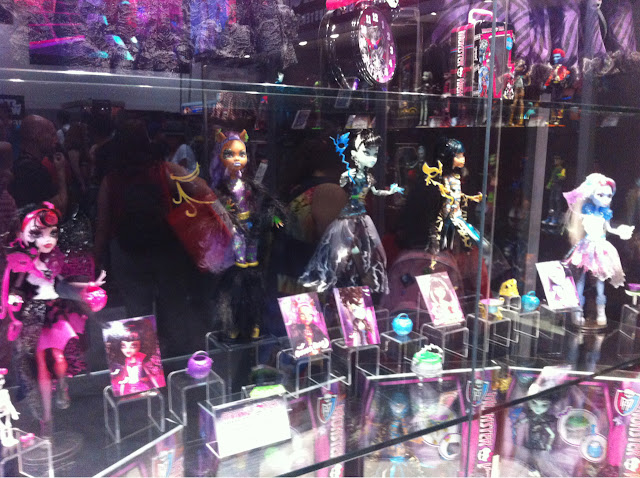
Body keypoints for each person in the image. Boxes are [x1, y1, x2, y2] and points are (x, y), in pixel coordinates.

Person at [94, 120, 211, 356]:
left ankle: (144, 361)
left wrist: (96, 261)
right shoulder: (165, 170)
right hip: (166, 250)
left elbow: (102, 226)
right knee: (174, 305)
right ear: (146, 142)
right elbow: (203, 190)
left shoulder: (111, 180)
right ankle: (178, 358)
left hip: (127, 253)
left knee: (137, 311)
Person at [1, 202, 106, 436]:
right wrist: (14, 301)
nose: (47, 239)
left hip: (53, 311)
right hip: (33, 316)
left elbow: (62, 286)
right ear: (20, 235)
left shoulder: (53, 261)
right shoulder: (21, 263)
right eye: (37, 234)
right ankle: (46, 418)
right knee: (39, 364)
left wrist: (88, 286)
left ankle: (62, 387)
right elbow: (15, 288)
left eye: (52, 233)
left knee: (59, 356)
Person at [300, 131, 404, 295]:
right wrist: (364, 272)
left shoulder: (305, 187)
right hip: (320, 285)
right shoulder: (330, 191)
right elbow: (345, 242)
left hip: (298, 277)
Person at [564, 173, 634, 325]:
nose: (605, 199)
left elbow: (610, 228)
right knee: (581, 279)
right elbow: (575, 212)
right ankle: (577, 310)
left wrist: (620, 231)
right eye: (600, 195)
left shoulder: (604, 214)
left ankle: (601, 311)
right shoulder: (586, 212)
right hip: (586, 247)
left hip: (600, 247)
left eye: (609, 196)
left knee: (601, 280)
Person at [9, 115, 68, 215]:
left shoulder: (20, 165)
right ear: (37, 136)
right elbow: (59, 208)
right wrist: (61, 172)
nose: (56, 140)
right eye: (52, 135)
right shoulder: (33, 171)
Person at [104, 318, 164, 396]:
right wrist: (123, 384)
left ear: (141, 345)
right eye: (123, 346)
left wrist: (156, 385)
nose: (128, 350)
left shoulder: (140, 359)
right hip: (130, 386)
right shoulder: (127, 361)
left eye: (133, 345)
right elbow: (126, 374)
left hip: (141, 385)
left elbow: (148, 374)